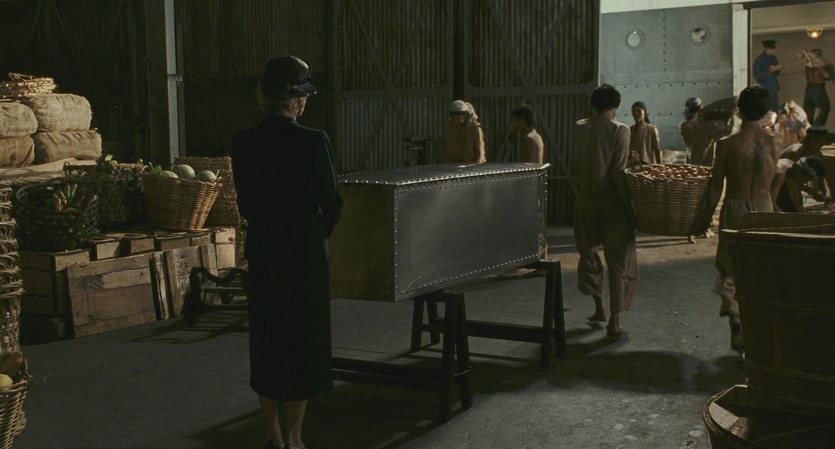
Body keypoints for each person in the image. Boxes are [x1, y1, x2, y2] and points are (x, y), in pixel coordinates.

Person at [232, 55, 342, 449]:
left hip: (264, 250)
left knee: (268, 340)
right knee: (302, 343)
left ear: (263, 96)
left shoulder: (243, 142)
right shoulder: (314, 141)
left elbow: (246, 205)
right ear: (299, 101)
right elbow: (332, 205)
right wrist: (310, 233)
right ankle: (295, 438)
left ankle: (272, 433)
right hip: (304, 255)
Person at [697, 85, 781, 352]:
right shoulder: (775, 142)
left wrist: (703, 221)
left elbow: (715, 188)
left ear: (739, 111)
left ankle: (736, 318)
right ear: (765, 111)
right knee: (760, 272)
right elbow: (775, 179)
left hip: (736, 209)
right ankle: (759, 332)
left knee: (730, 272)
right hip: (764, 207)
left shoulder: (726, 144)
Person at [574, 84, 638, 336]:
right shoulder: (620, 129)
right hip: (610, 202)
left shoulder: (580, 127)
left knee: (589, 255)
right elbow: (617, 172)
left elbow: (592, 157)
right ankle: (614, 320)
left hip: (585, 201)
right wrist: (629, 209)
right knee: (617, 261)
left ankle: (599, 307)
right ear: (616, 106)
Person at [680, 97, 727, 167]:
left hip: (690, 163)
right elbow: (719, 137)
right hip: (705, 164)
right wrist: (724, 121)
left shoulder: (683, 126)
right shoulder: (708, 125)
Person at [801, 48, 834, 126]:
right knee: (825, 107)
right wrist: (828, 67)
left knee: (809, 110)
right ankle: (817, 126)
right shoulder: (820, 66)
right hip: (818, 88)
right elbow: (827, 76)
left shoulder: (808, 67)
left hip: (809, 88)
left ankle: (808, 128)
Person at [753, 40, 782, 112]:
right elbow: (757, 75)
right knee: (767, 108)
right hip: (764, 87)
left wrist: (777, 69)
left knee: (775, 107)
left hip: (773, 87)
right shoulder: (759, 60)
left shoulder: (773, 58)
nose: (772, 51)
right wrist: (768, 71)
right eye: (770, 49)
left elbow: (776, 73)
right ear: (765, 49)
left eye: (773, 49)